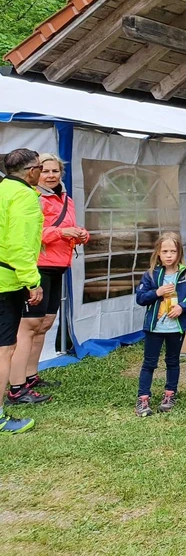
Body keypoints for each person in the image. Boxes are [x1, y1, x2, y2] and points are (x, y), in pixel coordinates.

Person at [7, 154, 88, 405]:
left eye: (55, 171)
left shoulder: (66, 199)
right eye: (46, 171)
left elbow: (68, 228)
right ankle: (16, 386)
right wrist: (61, 232)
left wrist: (80, 234)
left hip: (59, 266)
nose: (51, 175)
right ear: (35, 172)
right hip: (39, 266)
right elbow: (30, 235)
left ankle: (31, 376)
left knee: (44, 324)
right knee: (29, 326)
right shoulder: (31, 197)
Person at [0, 149, 45, 433]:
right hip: (7, 283)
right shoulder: (24, 196)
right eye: (40, 167)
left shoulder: (3, 189)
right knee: (4, 350)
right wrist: (32, 281)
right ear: (31, 171)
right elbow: (19, 245)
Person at [134, 232, 186, 416]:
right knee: (149, 362)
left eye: (173, 251)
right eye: (165, 251)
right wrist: (158, 292)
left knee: (172, 361)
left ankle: (170, 395)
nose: (169, 255)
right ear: (158, 253)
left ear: (179, 253)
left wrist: (181, 307)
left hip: (176, 328)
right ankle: (143, 398)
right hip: (154, 328)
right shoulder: (151, 274)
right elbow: (140, 298)